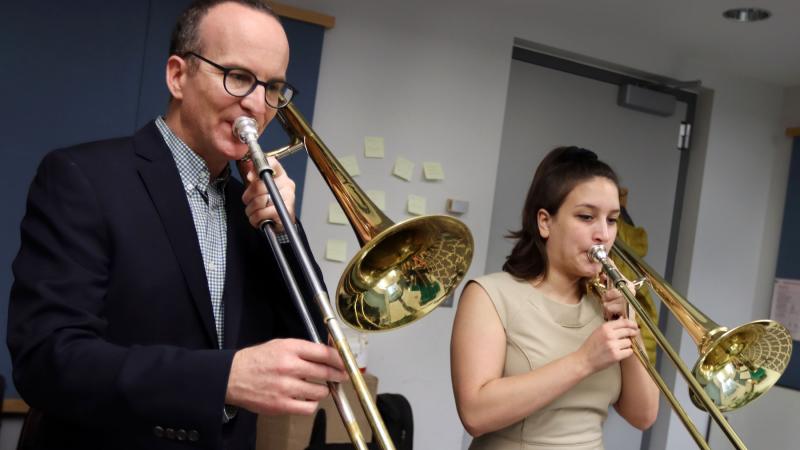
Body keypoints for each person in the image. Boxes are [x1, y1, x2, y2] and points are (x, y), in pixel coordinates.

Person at [7, 1, 347, 449]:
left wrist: (284, 232)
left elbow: (309, 348)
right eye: (238, 76)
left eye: (273, 87)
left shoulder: (251, 207)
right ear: (177, 76)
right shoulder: (81, 176)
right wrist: (224, 378)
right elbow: (48, 362)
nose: (257, 104)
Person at [450, 147, 659, 450]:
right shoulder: (489, 295)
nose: (603, 234)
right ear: (545, 222)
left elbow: (643, 415)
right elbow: (475, 414)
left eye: (612, 220)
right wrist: (584, 360)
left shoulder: (604, 307)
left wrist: (631, 327)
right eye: (586, 217)